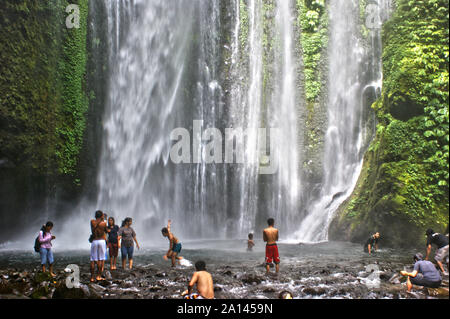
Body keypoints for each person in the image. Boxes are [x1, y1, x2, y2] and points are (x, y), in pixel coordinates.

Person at [90, 210, 107, 282]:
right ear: (102, 216)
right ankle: (98, 276)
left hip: (94, 241)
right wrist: (104, 219)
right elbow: (106, 231)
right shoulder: (104, 223)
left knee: (93, 260)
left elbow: (94, 226)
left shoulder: (92, 222)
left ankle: (92, 277)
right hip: (101, 241)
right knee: (100, 259)